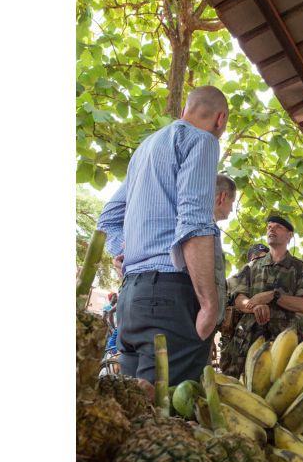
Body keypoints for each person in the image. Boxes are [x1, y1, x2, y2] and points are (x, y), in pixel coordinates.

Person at [97, 85, 229, 385]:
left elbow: (107, 220)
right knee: (169, 421)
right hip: (170, 299)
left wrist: (123, 251)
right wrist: (209, 304)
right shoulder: (202, 140)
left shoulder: (146, 149)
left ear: (186, 109)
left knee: (135, 417)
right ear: (220, 119)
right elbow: (194, 220)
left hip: (131, 301)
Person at [220, 215, 303, 377]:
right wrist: (254, 305)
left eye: (277, 227)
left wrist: (274, 295)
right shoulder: (251, 267)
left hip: (285, 347)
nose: (271, 229)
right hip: (249, 344)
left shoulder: (301, 269)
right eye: (269, 227)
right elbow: (239, 300)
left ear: (289, 235)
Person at [218, 243, 270, 368]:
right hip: (241, 338)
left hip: (246, 339)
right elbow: (238, 301)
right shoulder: (244, 273)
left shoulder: (233, 278)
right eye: (258, 257)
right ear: (252, 257)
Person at [210, 174, 237, 362]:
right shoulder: (203, 228)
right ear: (222, 198)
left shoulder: (210, 228)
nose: (232, 208)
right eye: (232, 202)